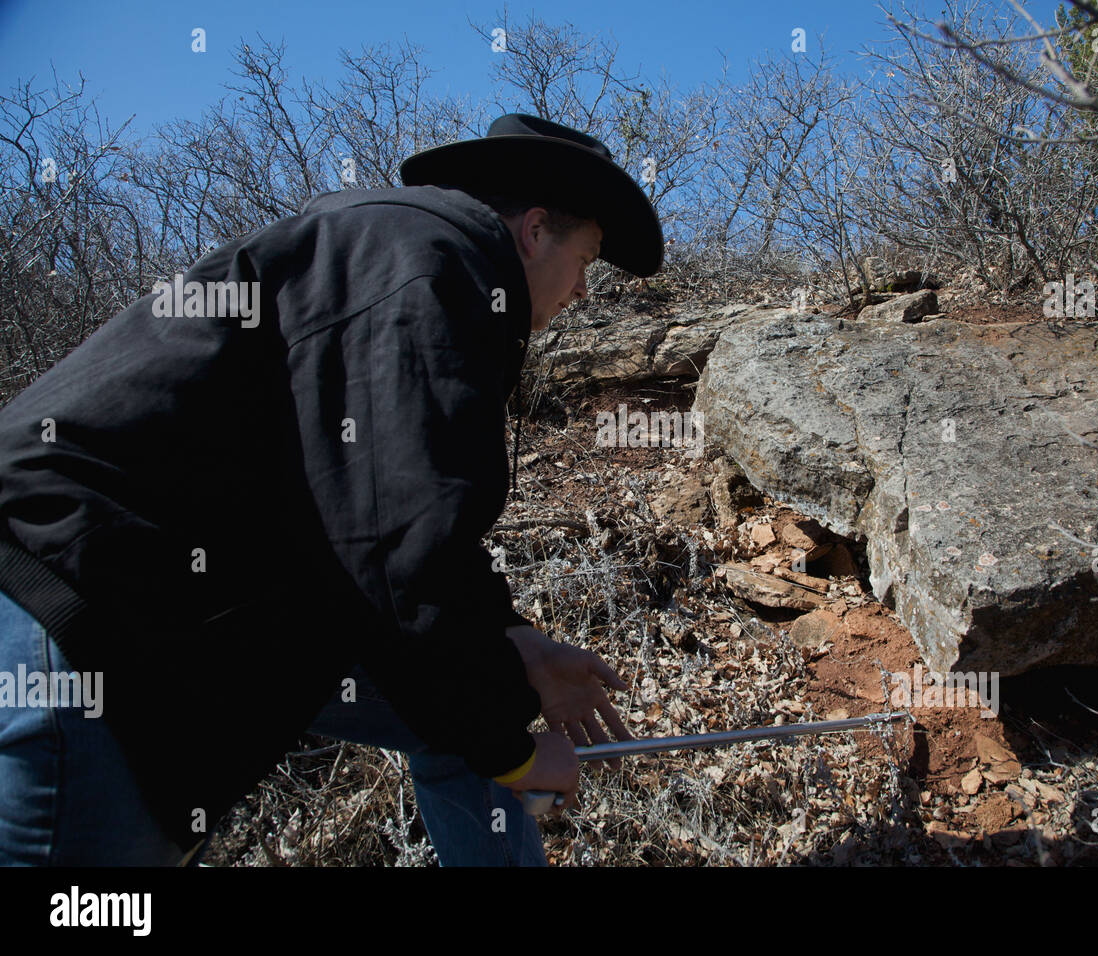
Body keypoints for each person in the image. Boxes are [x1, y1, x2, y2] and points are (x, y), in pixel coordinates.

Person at [0, 113, 664, 866]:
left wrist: (511, 646)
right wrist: (509, 750)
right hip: (79, 603)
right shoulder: (434, 264)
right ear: (536, 230)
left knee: (450, 713)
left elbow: (370, 511)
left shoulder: (385, 250)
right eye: (589, 258)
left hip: (122, 593)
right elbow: (397, 544)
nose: (582, 289)